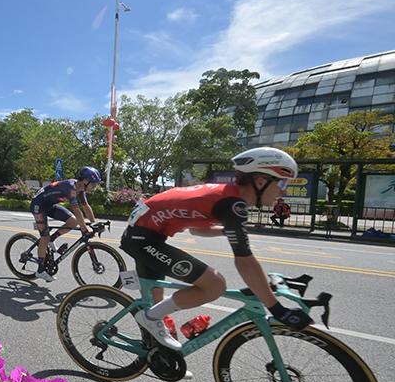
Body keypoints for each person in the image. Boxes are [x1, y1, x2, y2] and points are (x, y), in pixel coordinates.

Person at [120, 147, 313, 358]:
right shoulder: (232, 204)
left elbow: (196, 228)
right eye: (282, 183)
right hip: (142, 237)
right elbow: (245, 262)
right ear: (260, 181)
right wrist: (277, 309)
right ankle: (148, 319)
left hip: (147, 234)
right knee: (215, 284)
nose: (283, 191)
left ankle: (156, 353)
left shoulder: (226, 195)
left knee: (156, 303)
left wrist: (226, 231)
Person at [29, 167, 101, 282]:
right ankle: (40, 270)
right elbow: (77, 211)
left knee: (73, 221)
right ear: (85, 182)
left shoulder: (80, 189)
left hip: (50, 205)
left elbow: (86, 207)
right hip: (39, 205)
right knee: (44, 237)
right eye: (94, 184)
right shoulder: (71, 188)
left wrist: (94, 223)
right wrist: (84, 229)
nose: (95, 187)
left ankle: (52, 239)